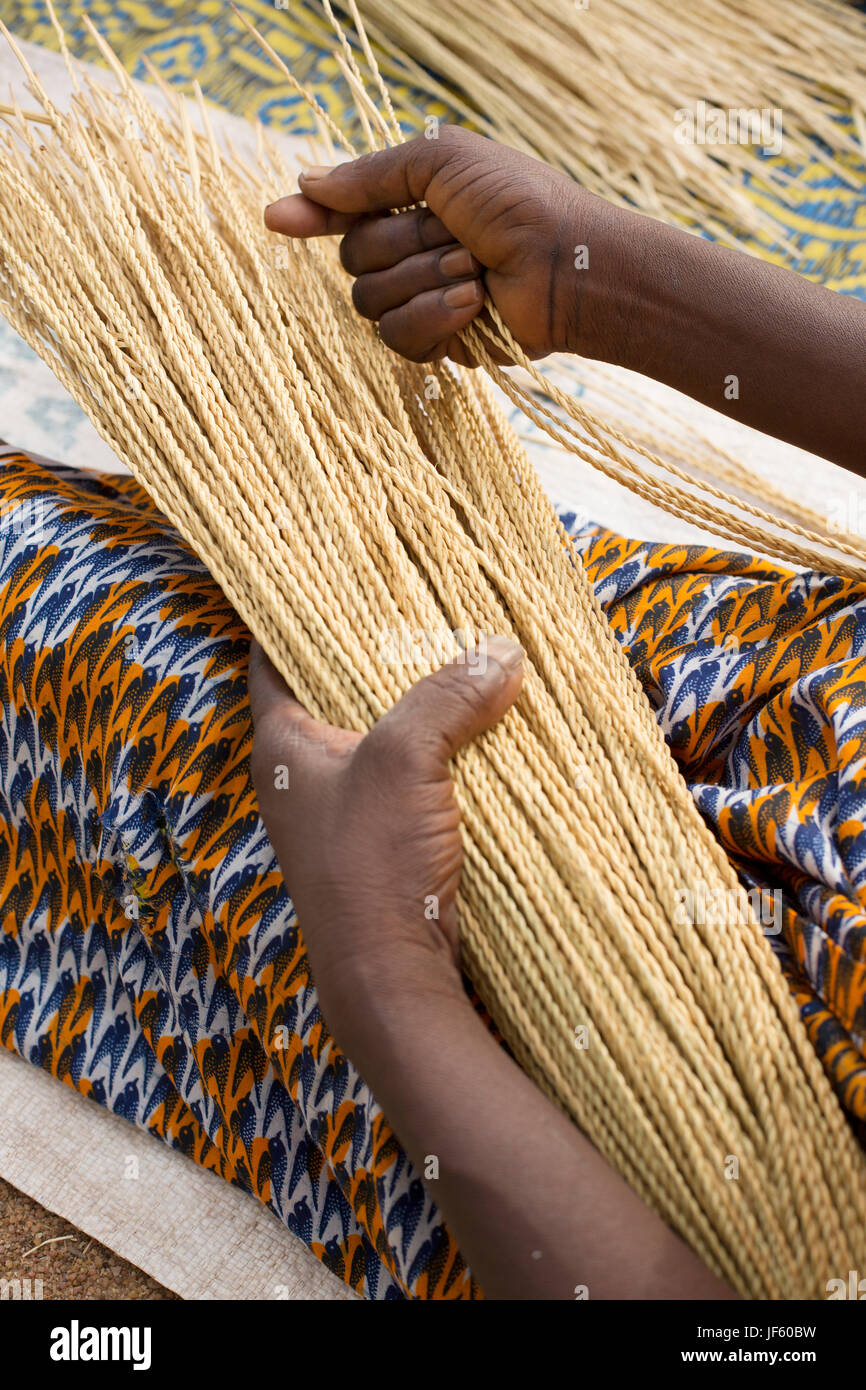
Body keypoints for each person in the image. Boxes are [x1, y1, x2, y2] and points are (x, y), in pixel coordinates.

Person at [1, 130, 864, 1300]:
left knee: (70, 612)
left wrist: (382, 965)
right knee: (282, 506)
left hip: (553, 1082)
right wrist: (596, 276)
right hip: (783, 684)